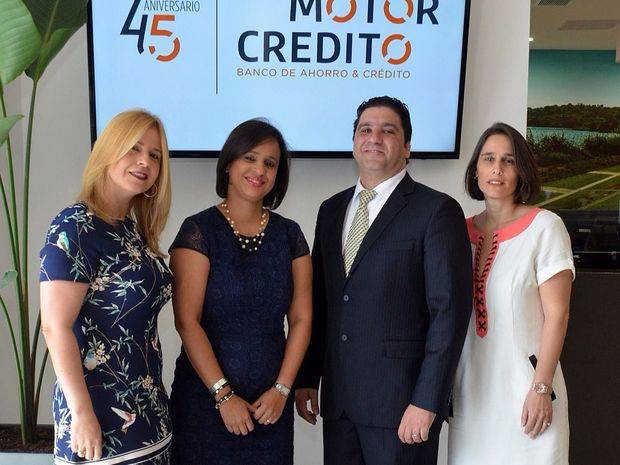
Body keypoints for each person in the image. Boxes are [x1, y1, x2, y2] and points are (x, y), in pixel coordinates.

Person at [295, 96, 473, 465]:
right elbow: (325, 302)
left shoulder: (436, 211)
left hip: (403, 407)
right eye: (365, 129)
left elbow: (449, 316)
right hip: (340, 404)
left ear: (406, 146)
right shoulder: (331, 210)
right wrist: (308, 377)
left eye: (388, 131)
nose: (374, 137)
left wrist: (427, 401)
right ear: (355, 141)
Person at [168, 119, 312, 465]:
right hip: (204, 403)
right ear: (229, 164)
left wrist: (282, 390)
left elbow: (302, 318)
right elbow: (187, 322)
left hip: (270, 408)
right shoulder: (198, 231)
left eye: (270, 163)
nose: (259, 170)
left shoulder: (290, 235)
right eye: (250, 158)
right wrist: (223, 395)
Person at [40, 110, 173, 464]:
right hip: (98, 427)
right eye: (133, 148)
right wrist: (81, 415)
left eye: (155, 155)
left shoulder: (131, 230)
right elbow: (55, 326)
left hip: (150, 419)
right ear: (107, 150)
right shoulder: (74, 227)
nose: (145, 160)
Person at [447, 122, 574, 464]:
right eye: (488, 159)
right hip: (471, 399)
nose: (497, 170)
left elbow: (557, 315)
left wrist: (540, 388)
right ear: (475, 171)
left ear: (522, 171)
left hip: (528, 399)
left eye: (509, 160)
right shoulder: (457, 232)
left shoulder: (546, 227)